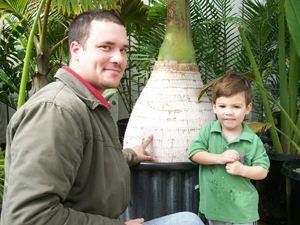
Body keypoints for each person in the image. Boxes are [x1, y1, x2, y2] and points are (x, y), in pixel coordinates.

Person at [1, 9, 203, 225]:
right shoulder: (55, 112)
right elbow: (28, 218)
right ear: (76, 50)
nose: (118, 58)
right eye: (106, 47)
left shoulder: (86, 104)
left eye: (123, 50)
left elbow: (88, 158)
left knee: (187, 219)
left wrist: (129, 155)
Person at [189, 72, 270, 225]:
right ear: (214, 107)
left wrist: (242, 170)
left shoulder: (252, 140)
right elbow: (194, 154)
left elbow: (262, 170)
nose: (228, 112)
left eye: (236, 106)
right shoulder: (208, 131)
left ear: (248, 108)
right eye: (222, 106)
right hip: (214, 208)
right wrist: (219, 158)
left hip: (243, 212)